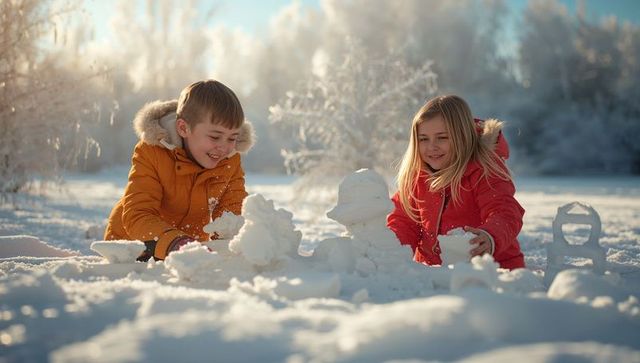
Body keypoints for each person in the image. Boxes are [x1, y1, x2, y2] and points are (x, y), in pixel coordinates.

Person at [104, 80, 255, 261]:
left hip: (186, 252)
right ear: (183, 128)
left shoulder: (229, 161)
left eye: (232, 138)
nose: (224, 147)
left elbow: (231, 214)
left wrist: (235, 243)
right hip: (134, 249)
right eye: (215, 136)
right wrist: (176, 243)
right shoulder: (153, 151)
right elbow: (138, 214)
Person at [387, 95, 525, 269]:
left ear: (462, 137)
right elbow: (403, 222)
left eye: (442, 137)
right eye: (424, 139)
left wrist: (489, 236)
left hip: (493, 270)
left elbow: (505, 211)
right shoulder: (417, 178)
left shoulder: (483, 170)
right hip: (435, 275)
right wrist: (390, 251)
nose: (432, 146)